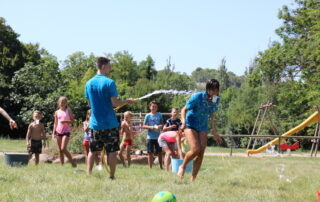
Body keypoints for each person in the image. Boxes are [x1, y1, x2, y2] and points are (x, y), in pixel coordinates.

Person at [85, 57, 135, 179]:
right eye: (109, 67)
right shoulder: (109, 82)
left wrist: (101, 107)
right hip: (110, 124)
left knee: (92, 151)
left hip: (95, 124)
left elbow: (89, 103)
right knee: (112, 151)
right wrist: (127, 101)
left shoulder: (88, 83)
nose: (110, 69)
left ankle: (88, 174)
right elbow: (114, 103)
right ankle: (112, 176)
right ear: (103, 66)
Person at [178, 79, 223, 182]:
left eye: (217, 90)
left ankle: (193, 178)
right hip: (190, 124)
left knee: (201, 151)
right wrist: (183, 122)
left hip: (202, 126)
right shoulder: (198, 97)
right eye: (214, 90)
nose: (216, 92)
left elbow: (212, 114)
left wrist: (214, 131)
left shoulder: (216, 98)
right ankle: (182, 167)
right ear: (208, 89)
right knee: (195, 149)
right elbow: (183, 110)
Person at [52, 96, 76, 167]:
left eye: (64, 102)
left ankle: (72, 162)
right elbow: (55, 123)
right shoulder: (57, 112)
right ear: (58, 103)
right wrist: (53, 133)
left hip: (66, 131)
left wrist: (65, 121)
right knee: (60, 150)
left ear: (66, 103)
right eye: (61, 102)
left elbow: (73, 121)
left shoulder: (68, 110)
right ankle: (62, 165)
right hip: (58, 131)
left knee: (63, 148)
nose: (62, 103)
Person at [142, 101, 163, 169]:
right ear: (150, 107)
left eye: (155, 107)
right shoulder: (147, 115)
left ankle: (161, 166)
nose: (154, 108)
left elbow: (162, 124)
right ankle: (150, 167)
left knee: (159, 152)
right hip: (150, 137)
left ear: (157, 108)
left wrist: (160, 126)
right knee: (150, 152)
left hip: (158, 137)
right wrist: (151, 127)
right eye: (153, 106)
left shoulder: (159, 115)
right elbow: (144, 126)